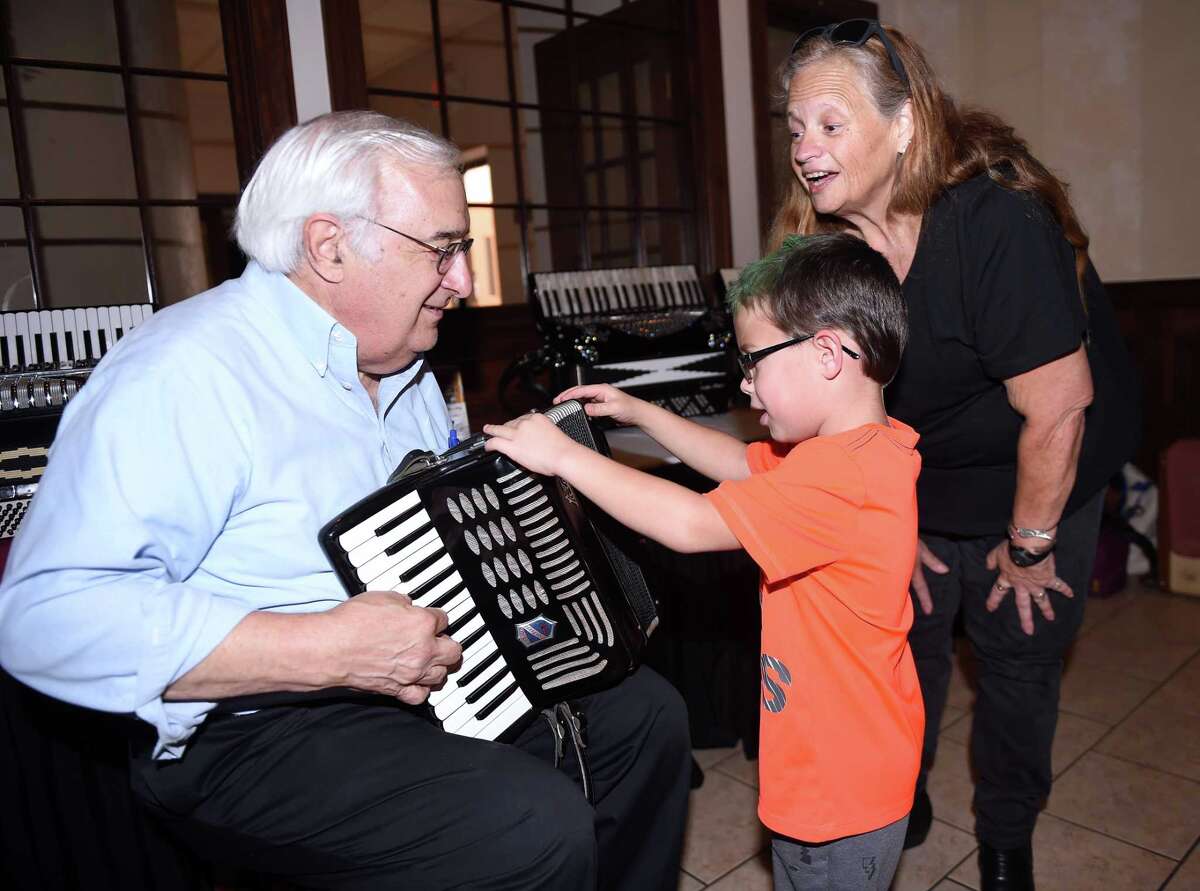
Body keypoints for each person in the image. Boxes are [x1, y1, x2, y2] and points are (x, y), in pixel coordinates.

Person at [0, 110, 690, 890]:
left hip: (430, 676)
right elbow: (44, 617)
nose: (463, 281)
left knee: (648, 718)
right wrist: (327, 649)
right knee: (533, 826)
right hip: (253, 730)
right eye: (443, 248)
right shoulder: (181, 373)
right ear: (329, 246)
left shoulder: (405, 365)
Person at [770, 19, 1140, 889]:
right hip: (928, 469)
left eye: (831, 123)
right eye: (795, 127)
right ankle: (900, 793)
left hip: (1047, 460)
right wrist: (887, 524)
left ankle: (1007, 837)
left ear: (903, 125)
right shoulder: (826, 251)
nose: (805, 148)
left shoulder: (993, 220)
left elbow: (1058, 409)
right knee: (901, 635)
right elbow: (830, 410)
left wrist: (1029, 546)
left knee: (1018, 648)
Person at [485, 232, 925, 891]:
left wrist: (563, 457)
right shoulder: (851, 453)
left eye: (753, 361)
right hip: (830, 756)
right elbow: (739, 463)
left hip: (845, 785)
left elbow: (691, 524)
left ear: (827, 354)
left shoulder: (841, 478)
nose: (745, 383)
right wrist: (642, 412)